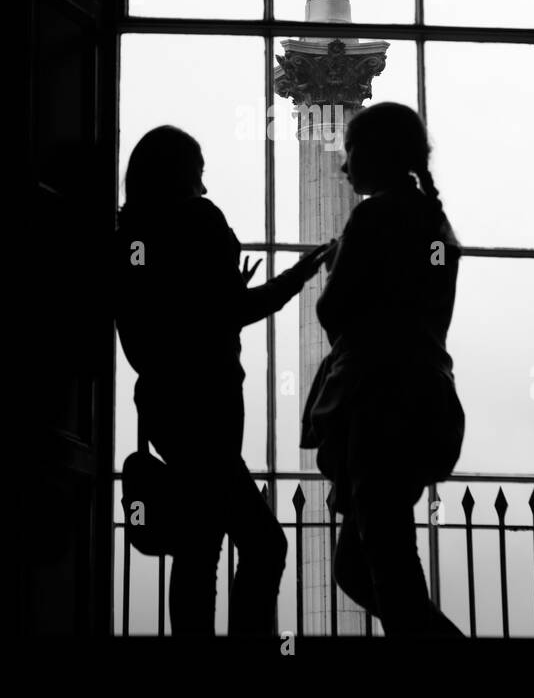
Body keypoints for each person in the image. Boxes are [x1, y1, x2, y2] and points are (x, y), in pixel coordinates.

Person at [115, 125, 332, 637]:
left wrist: (223, 299)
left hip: (165, 405)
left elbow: (172, 318)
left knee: (200, 544)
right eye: (199, 172)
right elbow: (232, 311)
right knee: (259, 545)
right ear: (184, 173)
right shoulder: (198, 218)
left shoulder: (133, 235)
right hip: (208, 404)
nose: (206, 186)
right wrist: (299, 274)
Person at [301, 102, 466, 637]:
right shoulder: (435, 224)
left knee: (384, 565)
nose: (344, 168)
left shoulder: (373, 218)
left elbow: (333, 311)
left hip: (377, 403)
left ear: (377, 154)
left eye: (350, 152)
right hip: (424, 400)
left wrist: (337, 265)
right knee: (367, 563)